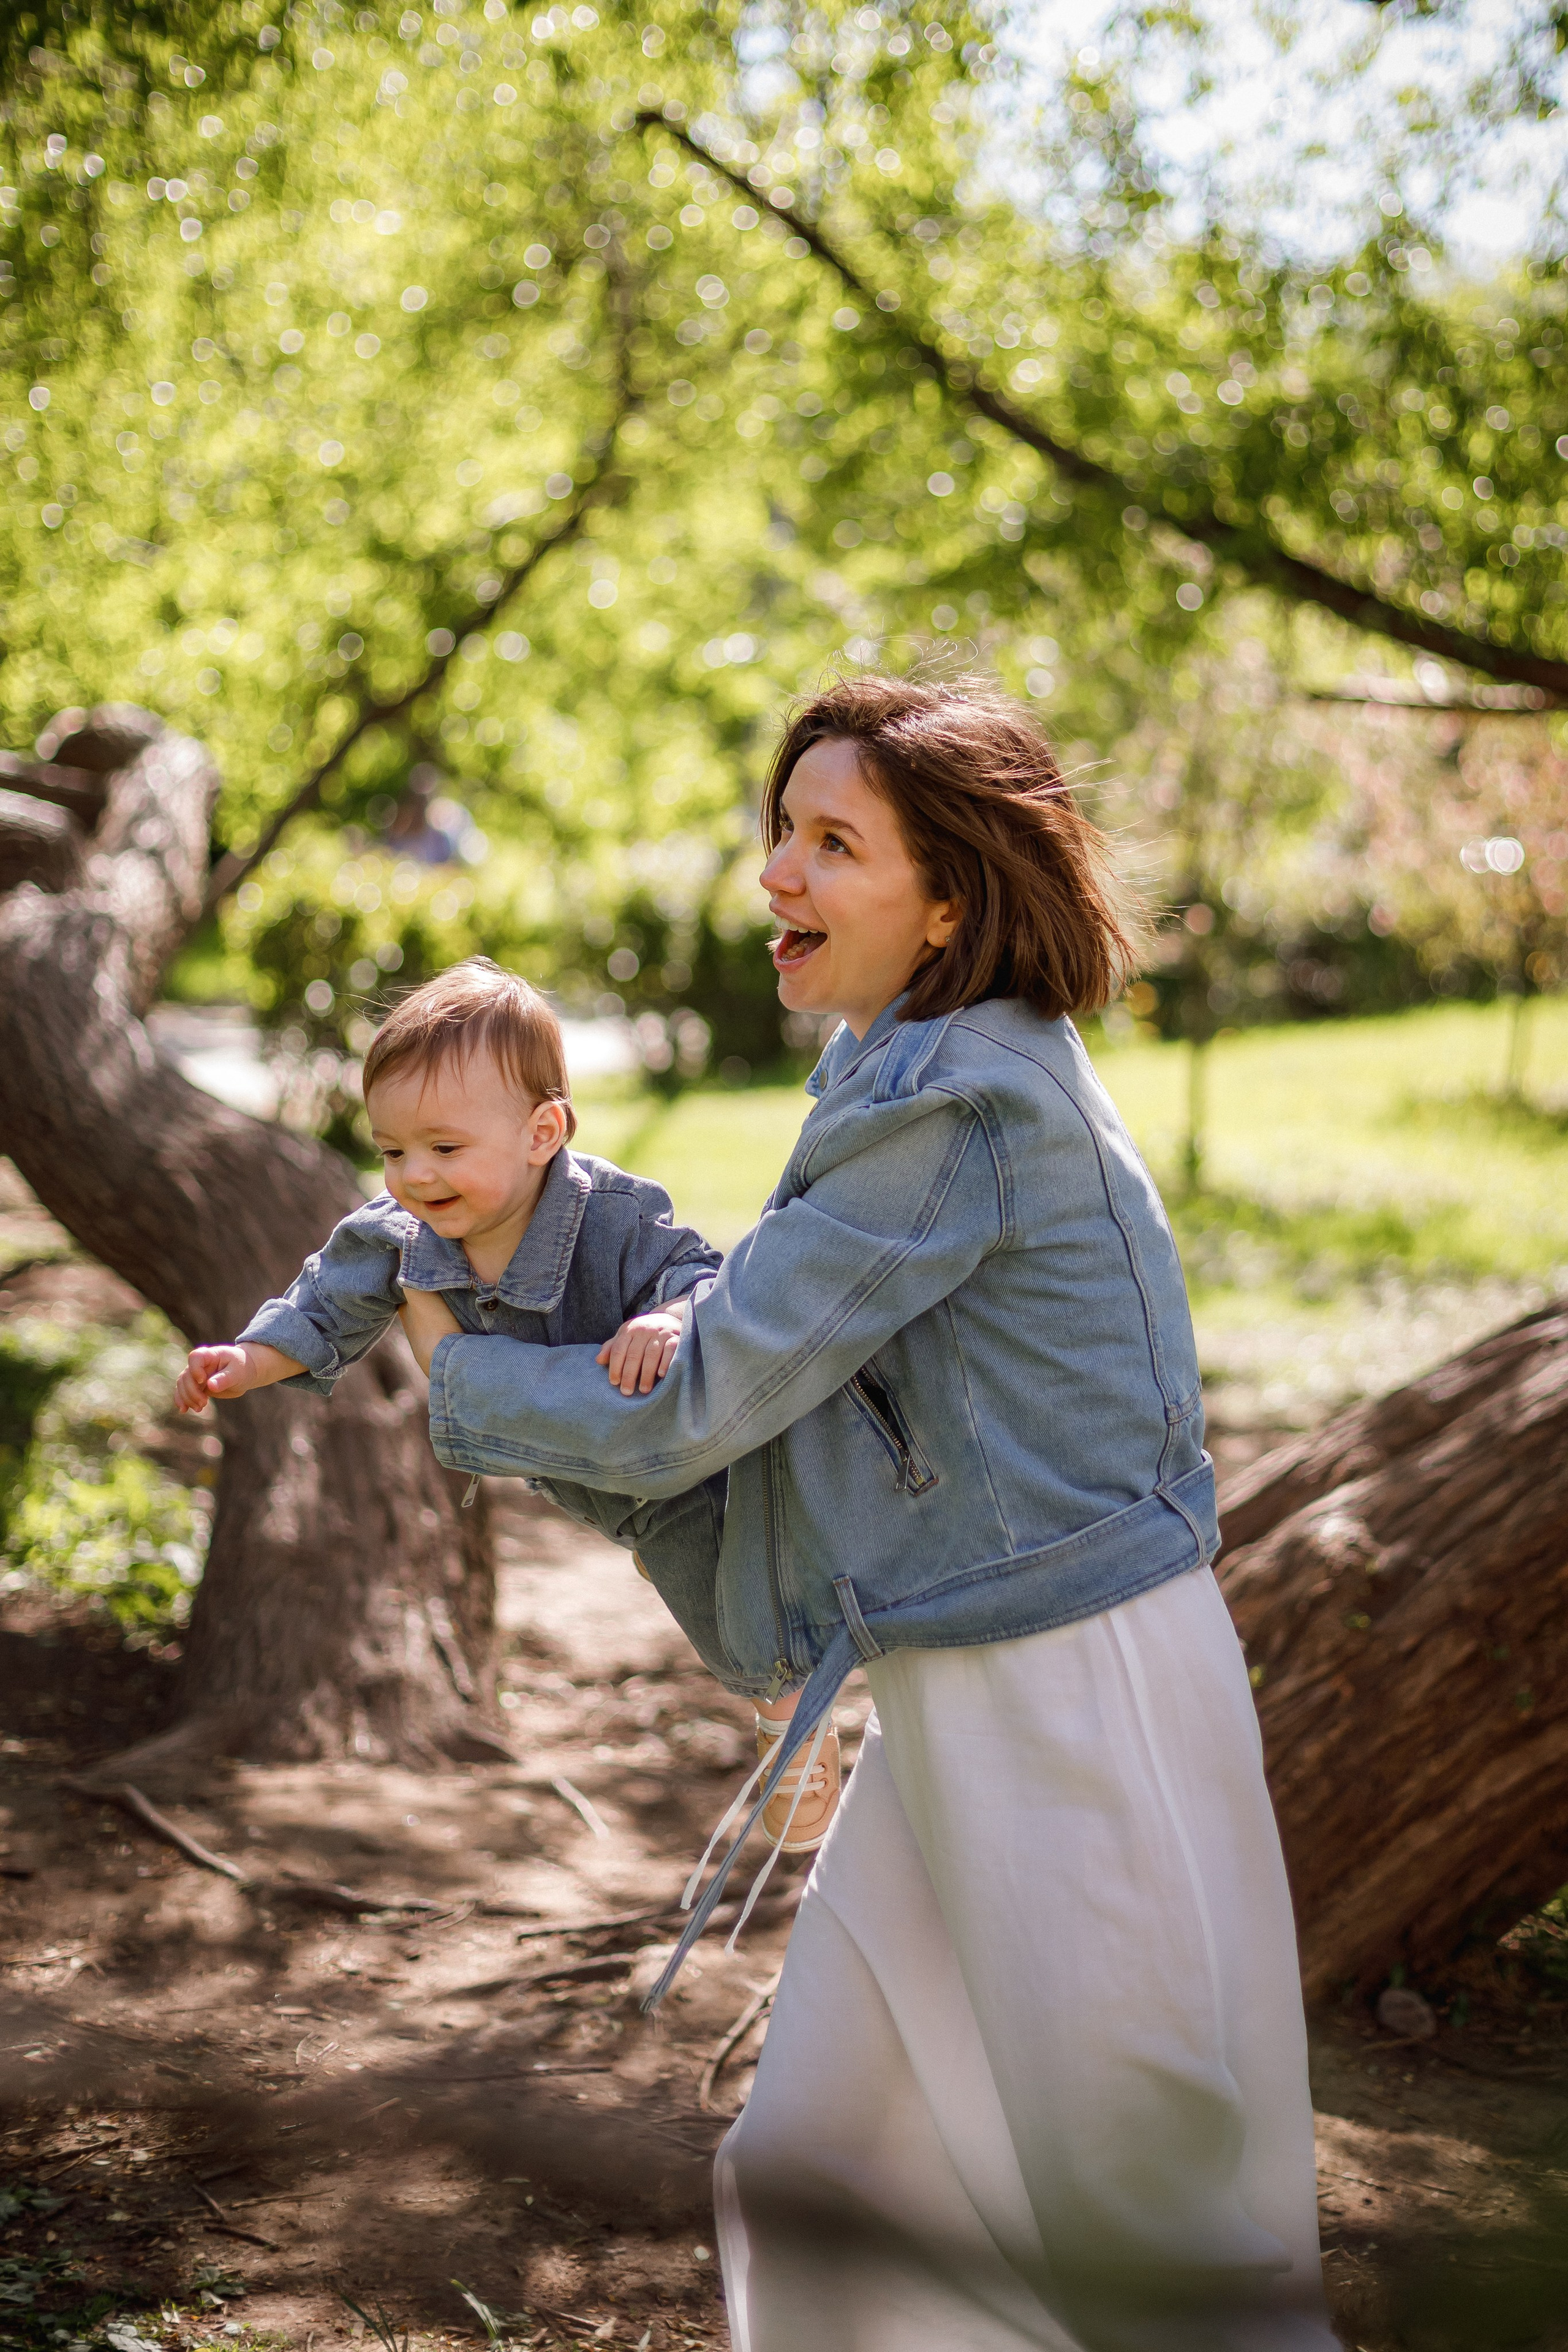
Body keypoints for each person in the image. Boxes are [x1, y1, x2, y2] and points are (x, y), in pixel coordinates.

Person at [396, 677, 1335, 2351]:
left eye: (835, 843)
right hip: (964, 1671)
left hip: (1070, 1690)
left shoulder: (955, 1098)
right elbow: (778, 1332)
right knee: (830, 2160)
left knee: (1150, 2215)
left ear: (952, 898)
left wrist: (452, 1364)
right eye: (783, 831)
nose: (778, 874)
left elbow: (703, 1403)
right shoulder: (901, 1062)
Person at [171, 959, 842, 1853]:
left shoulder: (612, 1216)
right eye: (393, 1150)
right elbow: (325, 1302)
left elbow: (700, 1273)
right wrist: (250, 1360)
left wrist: (672, 1316)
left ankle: (793, 1716)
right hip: (602, 1480)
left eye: (444, 1149)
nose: (414, 1175)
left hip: (699, 1451)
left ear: (543, 1132)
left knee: (741, 1609)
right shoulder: (399, 1233)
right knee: (691, 1576)